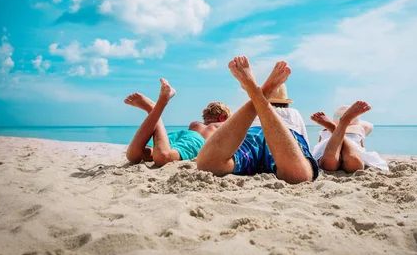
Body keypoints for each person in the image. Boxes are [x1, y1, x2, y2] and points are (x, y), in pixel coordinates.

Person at [196, 56, 318, 184]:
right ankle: (262, 91)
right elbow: (305, 147)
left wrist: (257, 98)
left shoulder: (249, 112)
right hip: (284, 136)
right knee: (298, 175)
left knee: (208, 165)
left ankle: (260, 91)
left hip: (253, 133)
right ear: (286, 103)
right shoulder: (293, 113)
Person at [124, 78, 231, 167]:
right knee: (163, 157)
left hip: (177, 134)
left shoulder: (195, 124)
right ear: (222, 117)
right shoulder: (219, 125)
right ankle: (159, 105)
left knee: (134, 155)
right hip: (197, 139)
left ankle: (154, 111)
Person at [310, 105, 389, 172]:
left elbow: (319, 147)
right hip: (351, 145)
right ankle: (342, 124)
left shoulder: (324, 132)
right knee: (355, 164)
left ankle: (335, 130)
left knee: (327, 164)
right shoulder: (358, 131)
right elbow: (362, 148)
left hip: (330, 145)